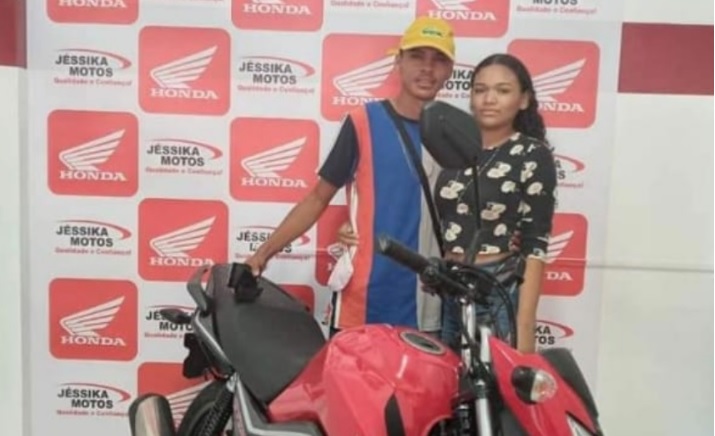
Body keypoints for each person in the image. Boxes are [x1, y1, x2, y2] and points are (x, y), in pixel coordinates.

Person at [243, 16, 456, 337]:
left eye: (438, 59)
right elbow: (318, 198)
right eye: (417, 56)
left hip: (428, 305)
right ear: (398, 61)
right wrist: (261, 255)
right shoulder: (363, 122)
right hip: (361, 301)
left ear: (450, 69)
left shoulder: (456, 132)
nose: (427, 68)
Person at [338, 53, 558, 353]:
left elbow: (535, 246)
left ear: (523, 100)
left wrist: (525, 325)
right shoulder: (452, 148)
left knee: (494, 382)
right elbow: (423, 209)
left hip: (496, 289)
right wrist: (353, 225)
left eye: (503, 90)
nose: (489, 99)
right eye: (480, 90)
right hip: (449, 289)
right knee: (451, 380)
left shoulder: (532, 154)